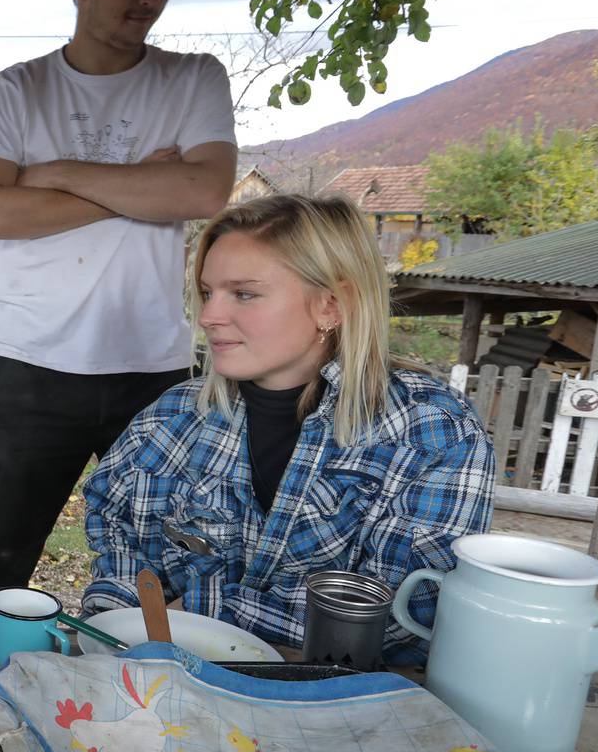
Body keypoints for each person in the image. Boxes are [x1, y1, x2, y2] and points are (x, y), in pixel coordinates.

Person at [0, 0, 237, 620]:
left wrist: (53, 179)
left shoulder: (195, 79)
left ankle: (146, 713)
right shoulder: (17, 91)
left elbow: (204, 194)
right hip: (28, 366)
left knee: (161, 568)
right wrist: (135, 187)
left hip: (152, 365)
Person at [83, 194, 495, 658]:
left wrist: (204, 612)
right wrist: (110, 628)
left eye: (244, 294)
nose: (208, 317)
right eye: (206, 292)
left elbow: (406, 610)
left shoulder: (432, 432)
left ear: (331, 307)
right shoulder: (172, 419)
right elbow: (117, 542)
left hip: (344, 707)